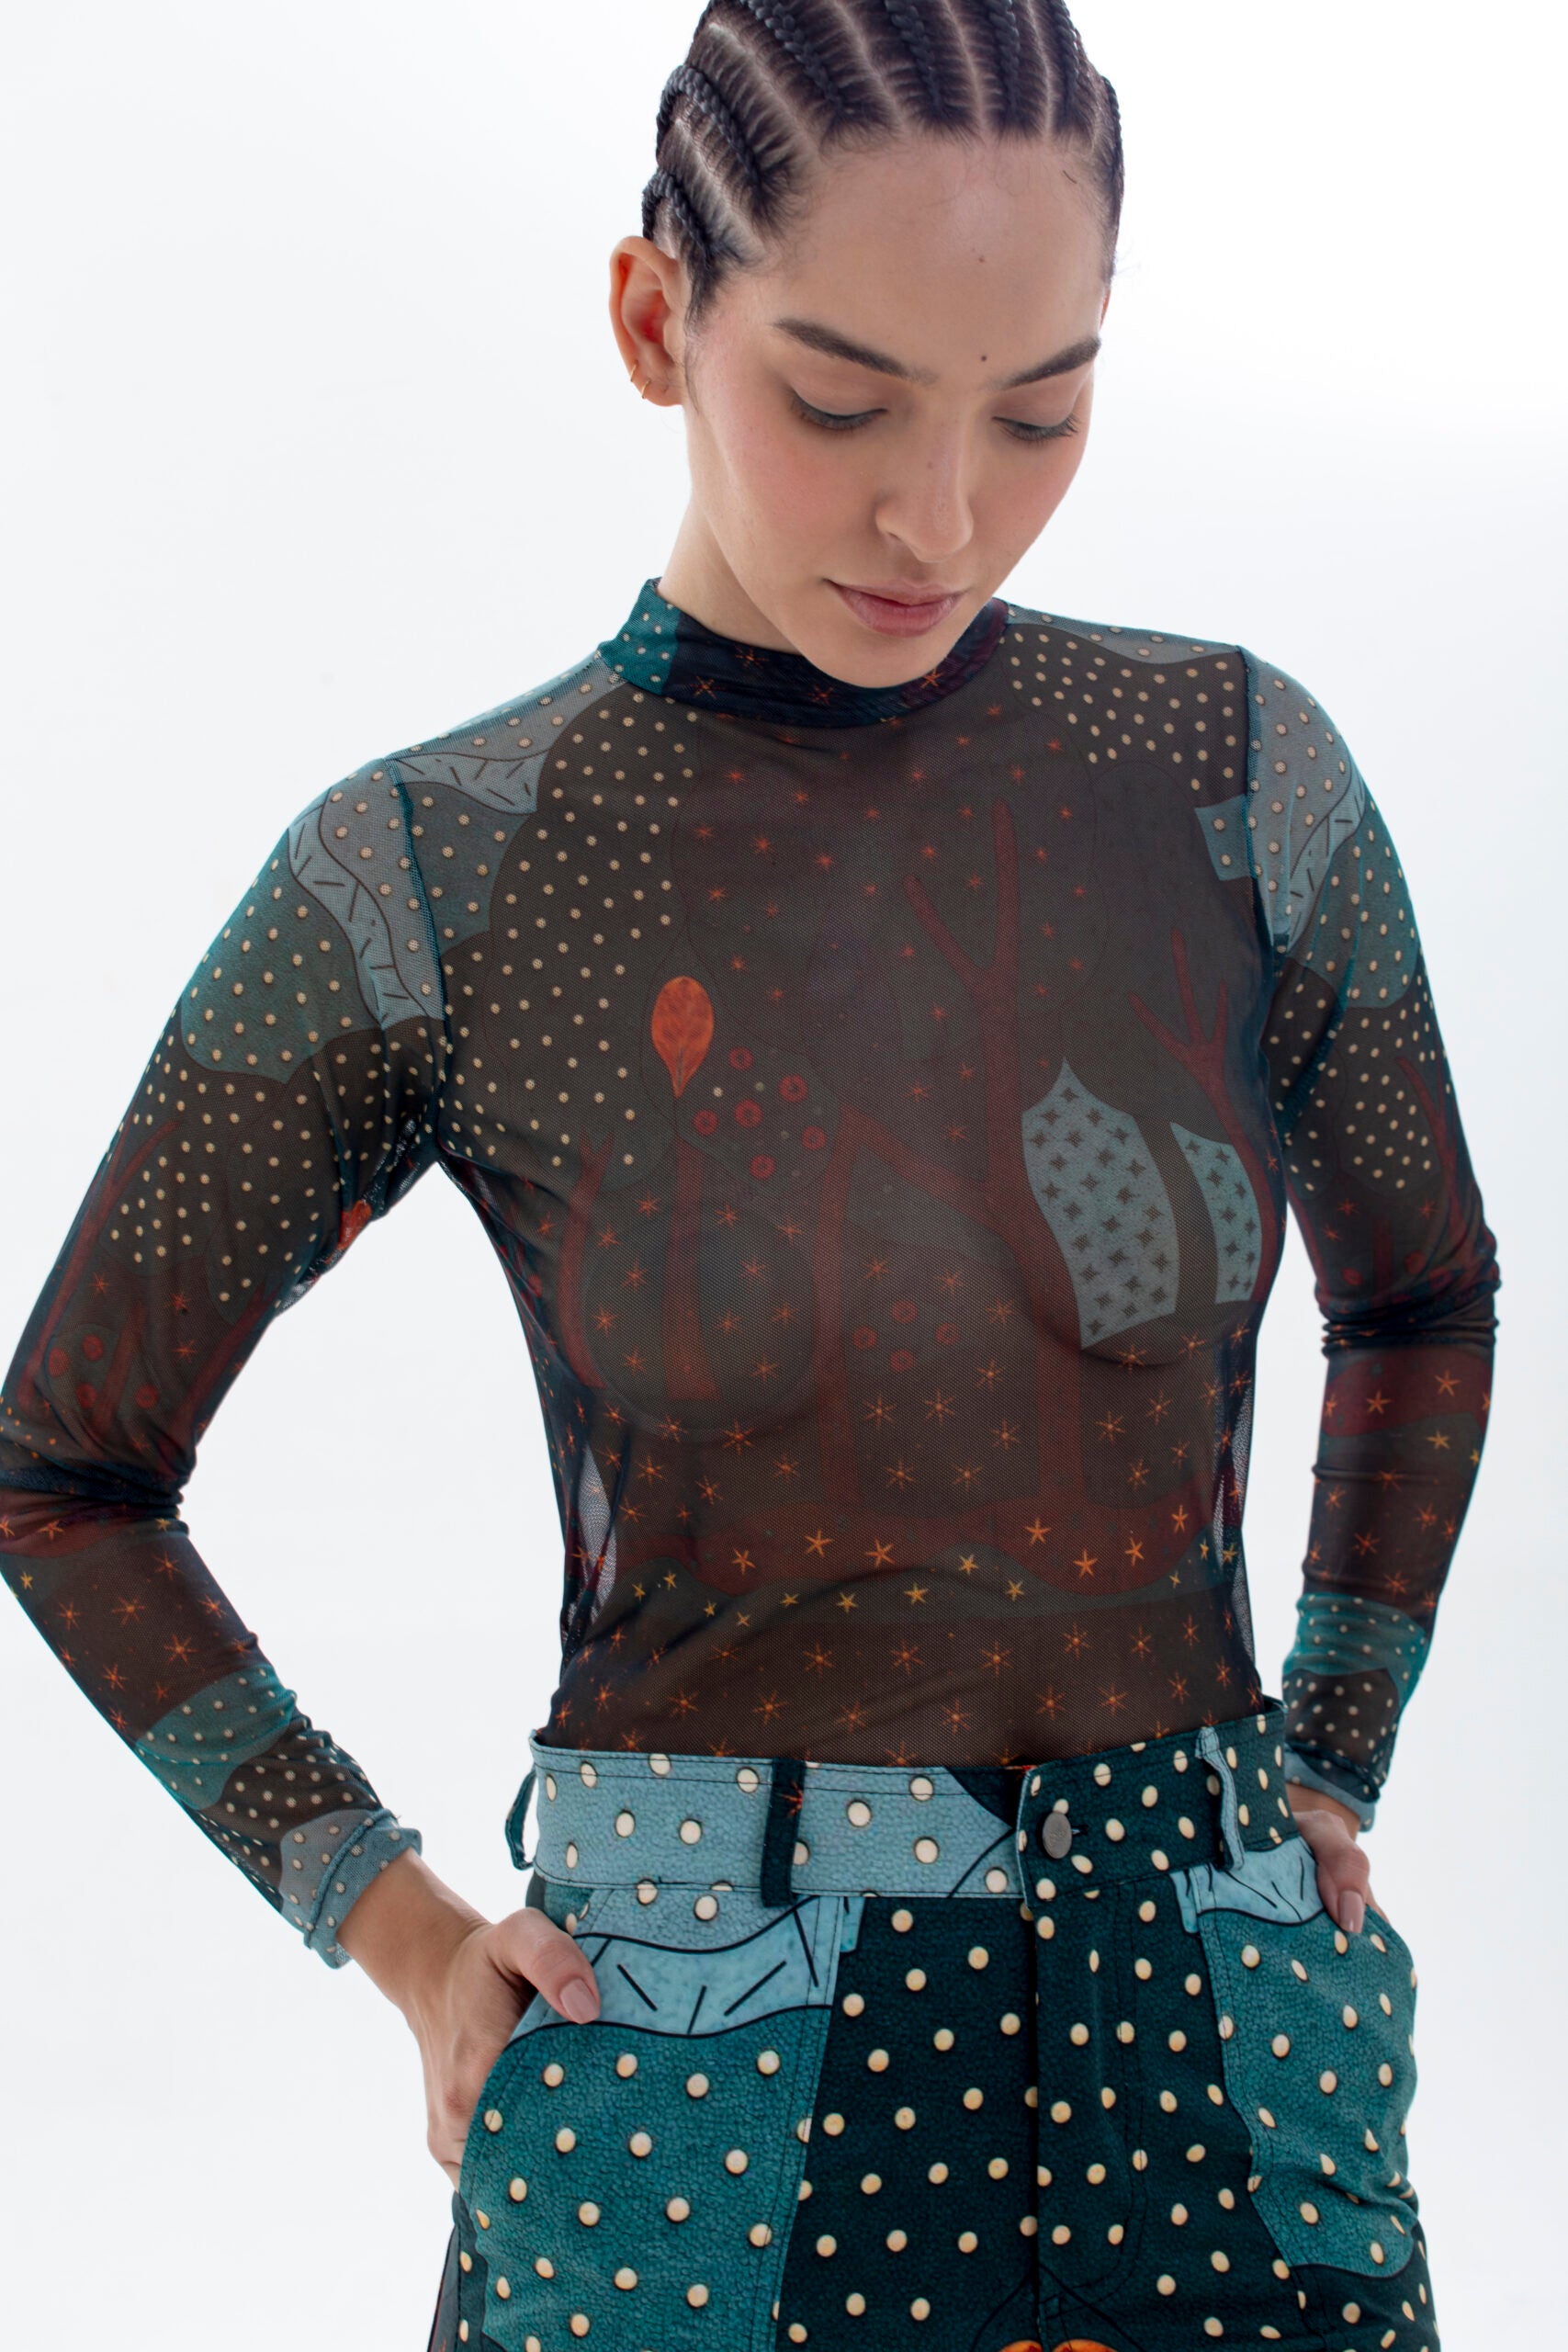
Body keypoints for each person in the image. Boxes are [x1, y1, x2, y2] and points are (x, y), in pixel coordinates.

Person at [0, 4, 1499, 2347]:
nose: (942, 516)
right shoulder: (438, 870)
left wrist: (1329, 1750)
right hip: (693, 2069)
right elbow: (64, 1467)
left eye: (1039, 410)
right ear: (651, 320)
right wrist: (389, 1920)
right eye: (839, 401)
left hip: (1218, 2038)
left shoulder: (1230, 774)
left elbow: (1415, 1296)